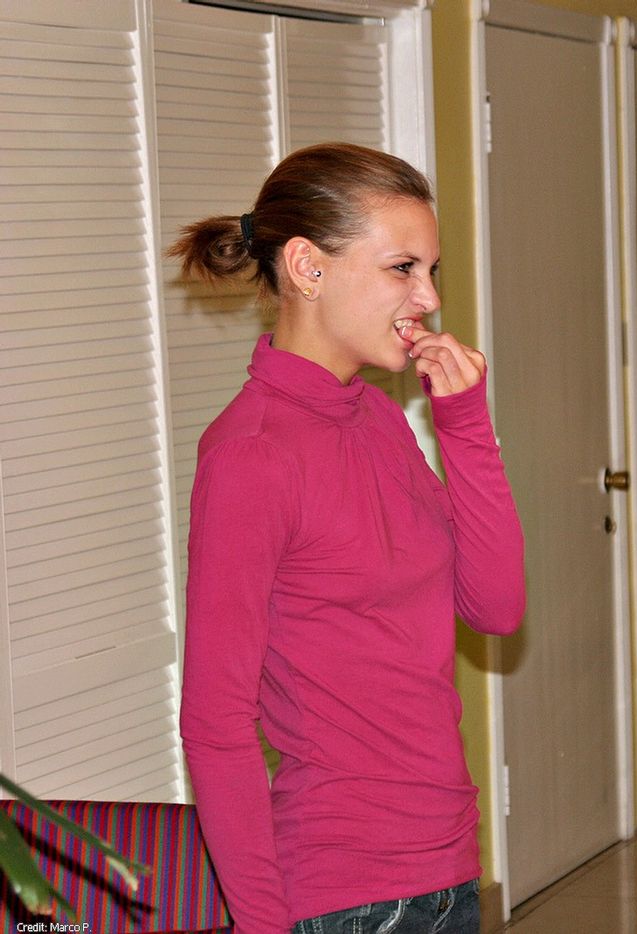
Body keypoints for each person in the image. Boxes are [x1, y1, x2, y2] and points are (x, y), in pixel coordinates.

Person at [170, 142, 526, 933]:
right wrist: (262, 925)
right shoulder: (251, 455)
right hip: (343, 896)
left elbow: (496, 607)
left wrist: (465, 426)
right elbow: (215, 723)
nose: (428, 297)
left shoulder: (378, 418)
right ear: (307, 267)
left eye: (430, 270)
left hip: (446, 867)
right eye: (403, 268)